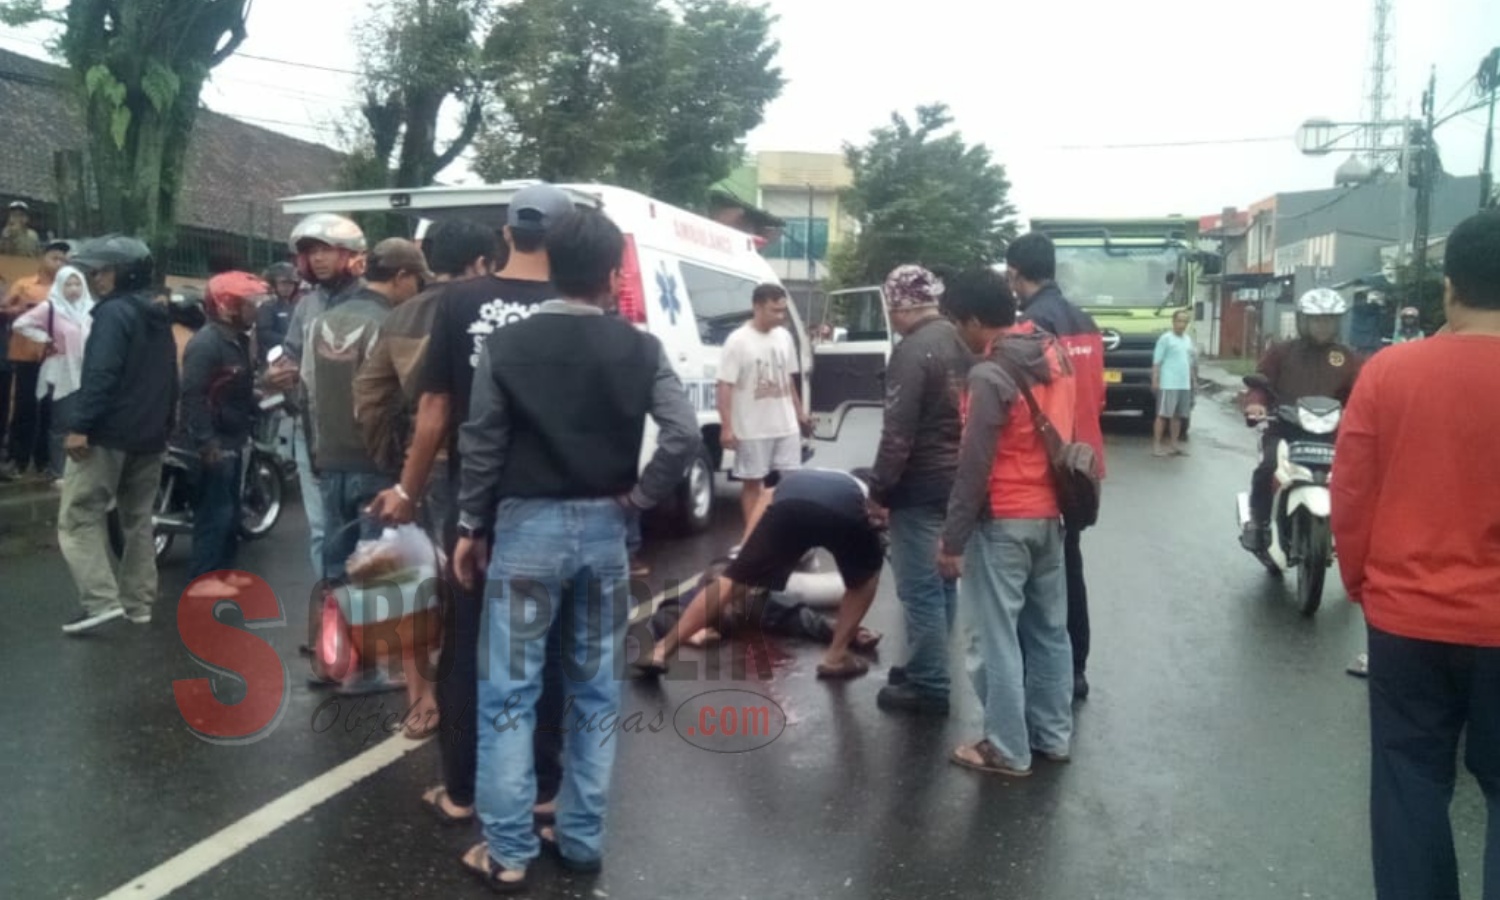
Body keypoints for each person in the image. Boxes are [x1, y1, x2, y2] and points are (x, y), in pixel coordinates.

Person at [454, 209, 699, 890]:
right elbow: (681, 436)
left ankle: (507, 852)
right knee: (593, 692)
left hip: (526, 530)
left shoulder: (507, 347)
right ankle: (583, 839)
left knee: (509, 692)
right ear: (613, 275)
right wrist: (643, 498)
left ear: (548, 264)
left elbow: (482, 445)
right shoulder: (641, 348)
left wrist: (471, 527)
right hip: (606, 534)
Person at [368, 185, 570, 828]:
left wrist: (406, 488)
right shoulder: (578, 305)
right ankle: (542, 787)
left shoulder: (457, 302)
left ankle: (460, 790)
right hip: (552, 499)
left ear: (505, 235)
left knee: (466, 642)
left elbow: (435, 411)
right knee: (546, 641)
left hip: (473, 497)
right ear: (561, 237)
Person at [1330, 209, 1500, 900]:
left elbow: (1351, 491)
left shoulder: (1388, 373)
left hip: (1407, 623)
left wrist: (1364, 583)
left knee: (1409, 783)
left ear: (1449, 288)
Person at [938, 267, 1077, 778]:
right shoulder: (1053, 353)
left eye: (956, 321)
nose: (955, 331)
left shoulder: (989, 374)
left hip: (1003, 521)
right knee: (1049, 634)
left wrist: (952, 540)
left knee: (994, 638)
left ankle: (1007, 748)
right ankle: (1053, 737)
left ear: (975, 320)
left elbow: (973, 465)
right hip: (1051, 512)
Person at [638, 466, 886, 681]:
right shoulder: (866, 489)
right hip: (841, 510)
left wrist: (746, 553)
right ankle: (836, 656)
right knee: (865, 579)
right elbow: (880, 519)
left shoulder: (816, 475)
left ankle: (661, 651)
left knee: (732, 581)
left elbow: (767, 495)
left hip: (788, 506)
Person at [865, 264, 972, 715]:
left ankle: (929, 684)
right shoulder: (961, 342)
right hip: (956, 482)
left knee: (919, 589)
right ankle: (927, 665)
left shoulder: (912, 351)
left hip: (919, 485)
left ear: (899, 305)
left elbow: (898, 435)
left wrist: (879, 491)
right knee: (942, 583)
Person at [57, 236, 178, 634]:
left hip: (108, 434)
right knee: (138, 519)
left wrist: (81, 426)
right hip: (149, 436)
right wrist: (164, 427)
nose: (96, 278)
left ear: (124, 273)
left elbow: (101, 375)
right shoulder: (159, 316)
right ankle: (138, 602)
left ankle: (100, 601)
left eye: (105, 270)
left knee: (78, 516)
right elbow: (170, 378)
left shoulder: (113, 314)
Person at [1007, 233, 1105, 701]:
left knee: (1044, 574)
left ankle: (1054, 669)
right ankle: (1077, 666)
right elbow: (1098, 396)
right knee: (1071, 564)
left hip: (1048, 462)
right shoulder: (1084, 320)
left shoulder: (1032, 325)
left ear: (1015, 274)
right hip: (1083, 463)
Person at [267, 213, 368, 581]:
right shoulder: (307, 304)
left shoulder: (374, 302)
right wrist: (276, 373)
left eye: (326, 249)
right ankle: (328, 612)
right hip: (309, 434)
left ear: (352, 253)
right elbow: (289, 352)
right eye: (311, 251)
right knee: (322, 531)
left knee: (363, 533)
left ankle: (364, 618)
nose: (318, 259)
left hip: (362, 439)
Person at [1239, 288, 1362, 553]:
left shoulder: (1348, 358)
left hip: (1331, 434)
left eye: (1329, 319)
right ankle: (1258, 524)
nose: (1322, 325)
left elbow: (1362, 393)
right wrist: (1256, 404)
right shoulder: (1282, 352)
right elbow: (1260, 383)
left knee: (1362, 474)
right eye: (1317, 319)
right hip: (1284, 429)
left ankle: (1358, 531)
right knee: (1267, 466)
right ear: (1303, 321)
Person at [179, 271, 265, 589]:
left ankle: (223, 574)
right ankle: (202, 581)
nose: (256, 309)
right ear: (229, 305)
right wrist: (206, 442)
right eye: (250, 303)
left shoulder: (237, 342)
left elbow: (233, 389)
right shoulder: (206, 345)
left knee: (230, 516)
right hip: (213, 444)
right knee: (214, 518)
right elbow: (193, 395)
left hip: (233, 438)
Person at [718, 282, 811, 548]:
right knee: (753, 484)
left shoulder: (784, 337)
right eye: (775, 311)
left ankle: (791, 535)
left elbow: (788, 379)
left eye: (783, 311)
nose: (780, 316)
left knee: (793, 481)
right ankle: (753, 539)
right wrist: (727, 426)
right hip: (752, 427)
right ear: (757, 307)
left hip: (786, 425)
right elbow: (725, 384)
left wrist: (799, 412)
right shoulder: (738, 341)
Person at [12, 265, 95, 486]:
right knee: (62, 421)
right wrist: (45, 339)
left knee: (82, 420)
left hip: (87, 370)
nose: (74, 288)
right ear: (60, 285)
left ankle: (78, 470)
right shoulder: (50, 308)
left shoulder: (90, 309)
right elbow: (21, 324)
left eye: (77, 283)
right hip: (62, 370)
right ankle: (59, 471)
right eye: (68, 283)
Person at [3, 240, 70, 478]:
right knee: (24, 408)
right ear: (42, 258)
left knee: (50, 411)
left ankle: (44, 462)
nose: (59, 262)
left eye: (63, 259)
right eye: (55, 257)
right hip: (25, 356)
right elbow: (5, 310)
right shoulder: (23, 285)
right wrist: (22, 311)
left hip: (55, 358)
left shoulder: (67, 291)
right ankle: (17, 460)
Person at [1151, 308, 1197, 457]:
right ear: (1173, 321)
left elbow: (1189, 362)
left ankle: (1174, 445)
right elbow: (1157, 362)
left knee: (1177, 416)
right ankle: (1157, 446)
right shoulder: (1166, 339)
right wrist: (1155, 380)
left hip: (1183, 384)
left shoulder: (1188, 340)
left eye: (1185, 321)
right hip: (1168, 383)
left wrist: (1193, 380)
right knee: (1163, 415)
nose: (1182, 324)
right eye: (1179, 320)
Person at [255, 261, 301, 366]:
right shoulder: (268, 306)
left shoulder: (295, 306)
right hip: (272, 358)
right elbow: (264, 334)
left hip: (291, 357)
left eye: (291, 283)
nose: (287, 287)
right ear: (274, 284)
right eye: (283, 283)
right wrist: (290, 340)